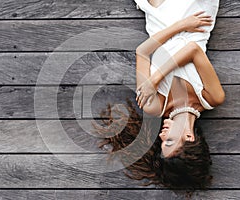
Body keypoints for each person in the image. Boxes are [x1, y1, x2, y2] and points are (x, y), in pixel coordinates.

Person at [94, 0, 225, 189]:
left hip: (159, 19)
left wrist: (178, 26)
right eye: (169, 141)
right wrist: (154, 80)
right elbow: (193, 51)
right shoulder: (212, 97)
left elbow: (143, 52)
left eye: (162, 143)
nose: (162, 135)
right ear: (189, 137)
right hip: (195, 14)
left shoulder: (154, 106)